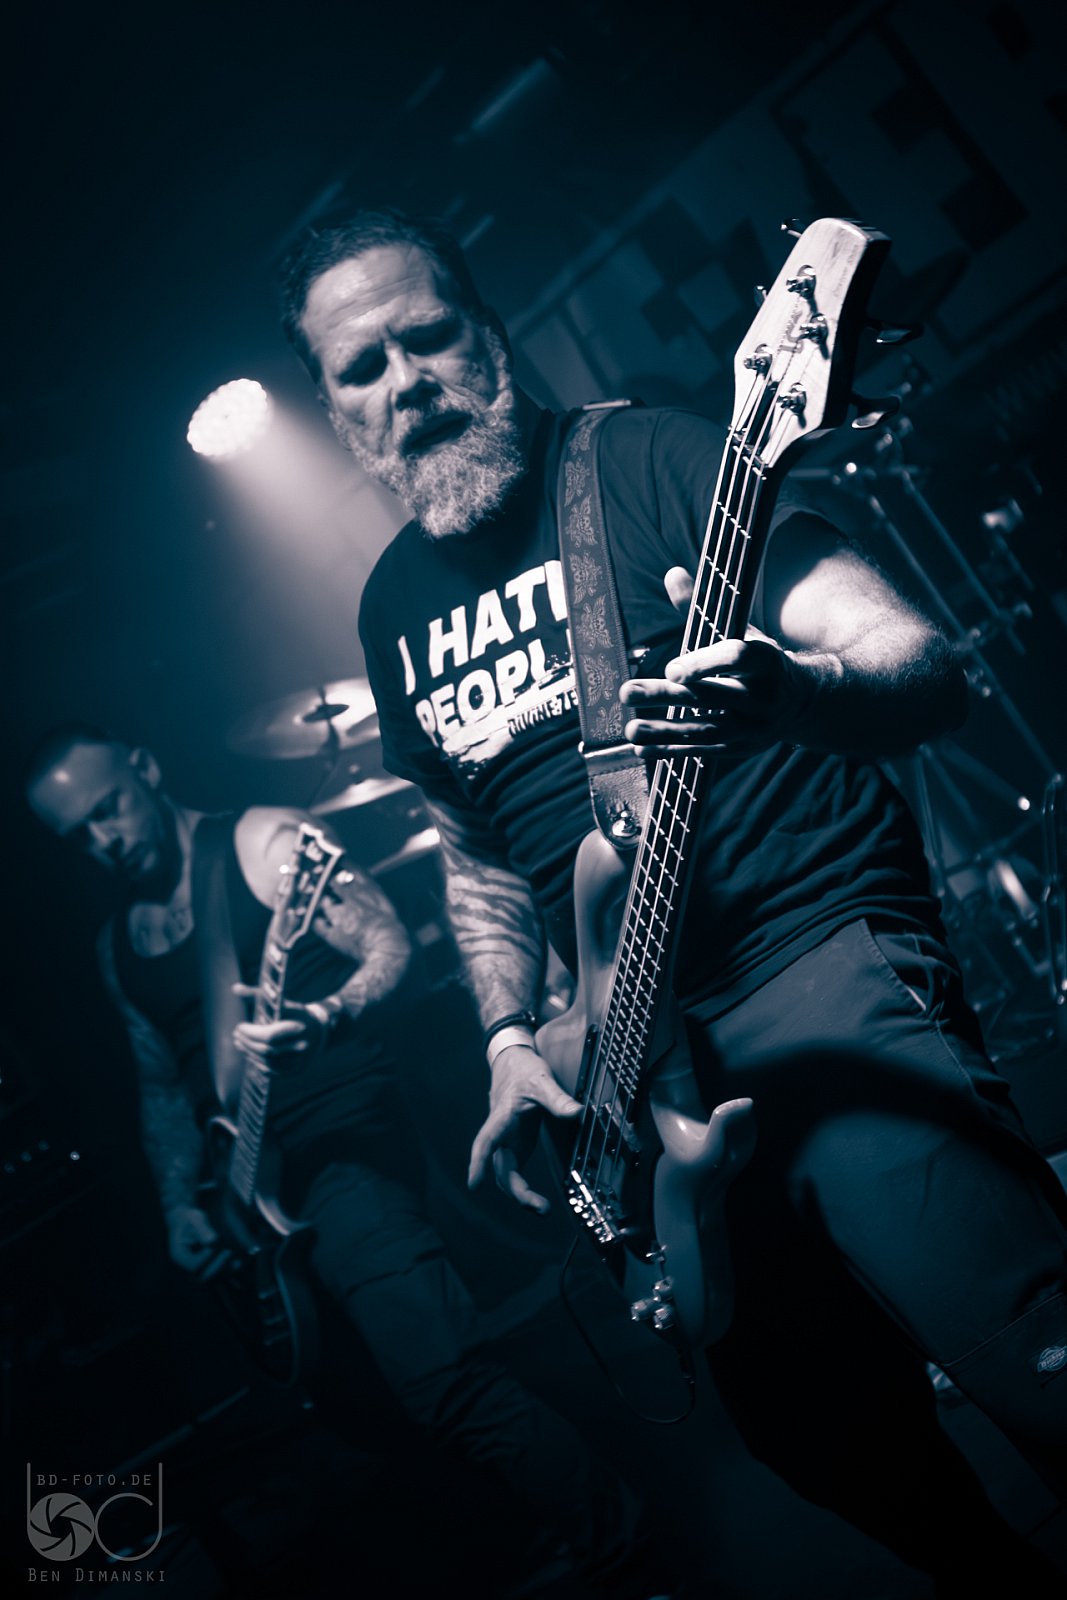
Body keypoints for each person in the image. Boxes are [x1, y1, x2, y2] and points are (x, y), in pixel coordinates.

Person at [278, 206, 1067, 1596]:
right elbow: (475, 854)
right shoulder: (392, 611)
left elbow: (915, 658)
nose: (406, 382)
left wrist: (796, 690)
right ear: (338, 415)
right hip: (640, 1070)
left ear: (487, 336)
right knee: (834, 1448)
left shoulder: (652, 459)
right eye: (361, 367)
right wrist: (509, 1039)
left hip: (813, 953)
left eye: (427, 336)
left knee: (1019, 1337)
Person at [24, 726, 669, 1600]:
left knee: (444, 1381)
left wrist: (325, 1017)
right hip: (248, 1207)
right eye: (80, 835)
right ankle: (520, 1553)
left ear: (145, 768)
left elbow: (391, 948)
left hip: (341, 1151)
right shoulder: (120, 943)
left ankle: (635, 1560)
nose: (105, 839)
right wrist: (180, 1203)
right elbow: (163, 1087)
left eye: (110, 810)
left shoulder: (266, 842)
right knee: (365, 1419)